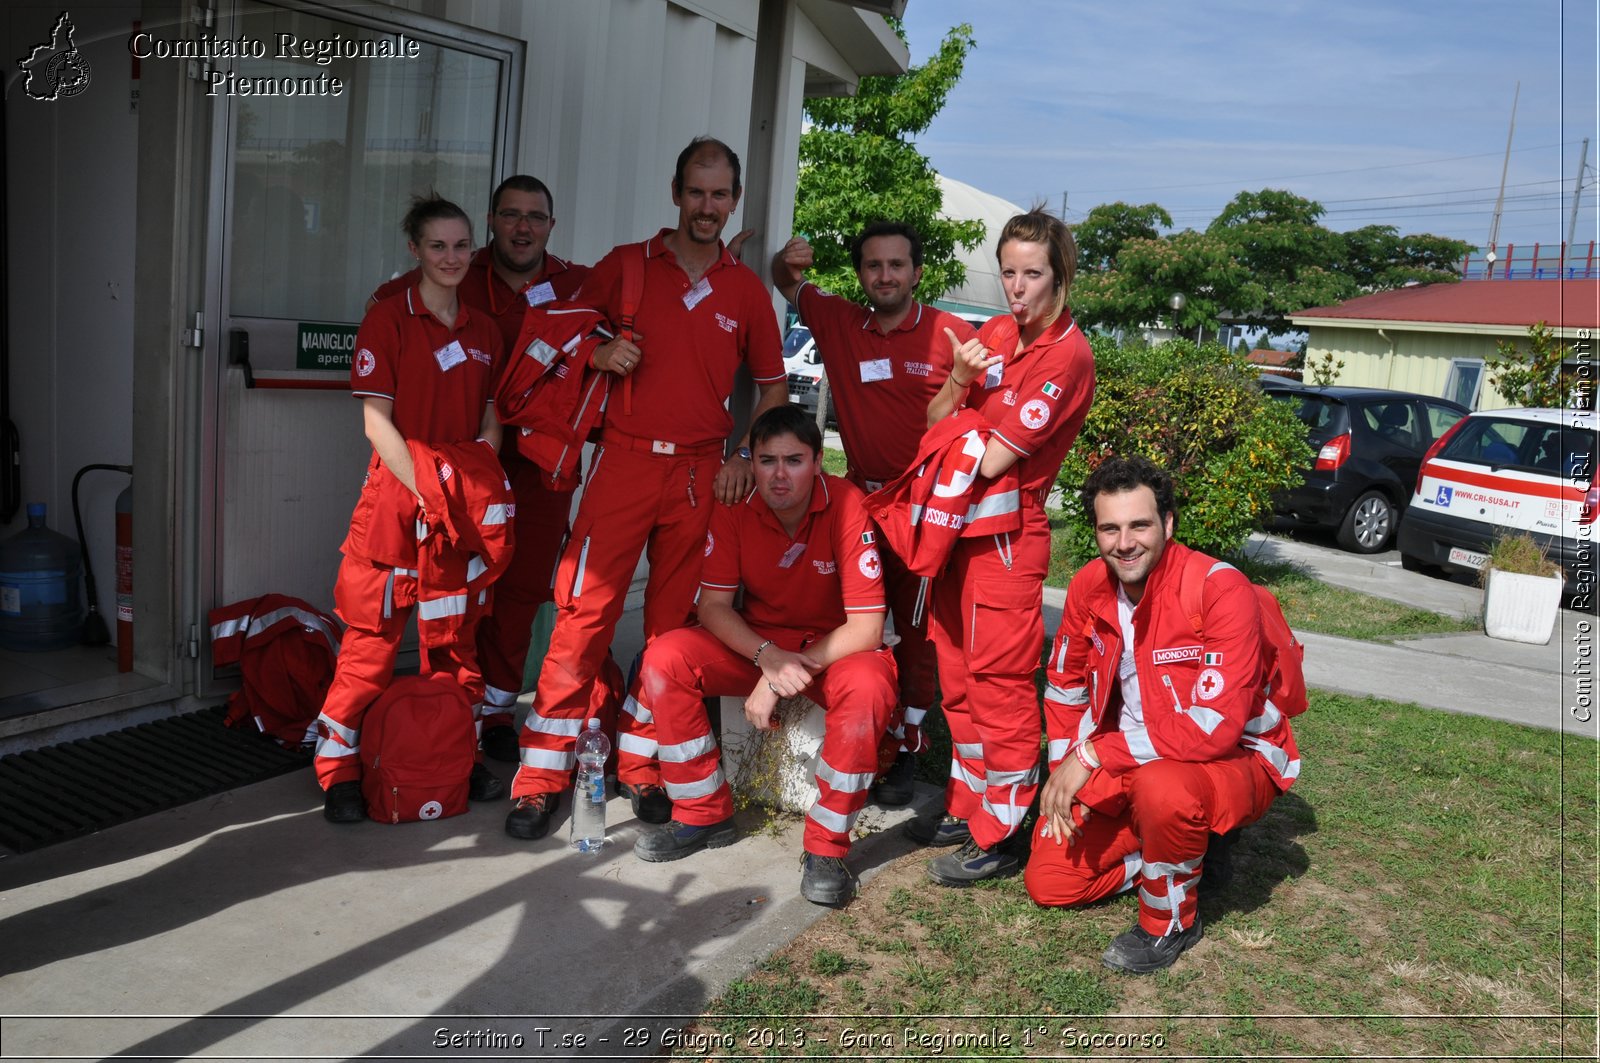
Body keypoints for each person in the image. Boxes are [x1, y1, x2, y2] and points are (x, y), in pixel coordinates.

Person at [504, 137, 789, 841]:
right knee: (582, 619)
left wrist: (744, 453)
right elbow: (551, 334)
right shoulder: (626, 265)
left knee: (668, 635)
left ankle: (640, 762)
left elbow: (775, 386)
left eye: (720, 195)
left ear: (735, 200)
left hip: (701, 477)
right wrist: (597, 352)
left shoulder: (746, 289)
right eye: (697, 192)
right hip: (624, 465)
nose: (708, 207)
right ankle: (540, 779)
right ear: (675, 191)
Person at [1025, 456, 1301, 973]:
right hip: (1130, 757)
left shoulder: (1220, 588)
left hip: (1231, 759)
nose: (1124, 542)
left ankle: (1169, 920)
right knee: (1051, 882)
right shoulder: (1089, 584)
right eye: (1110, 528)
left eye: (1139, 525)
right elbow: (1064, 685)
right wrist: (1066, 768)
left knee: (1164, 788)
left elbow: (1214, 727)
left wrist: (1093, 753)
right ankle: (1185, 851)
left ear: (1168, 524)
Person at [629, 405, 897, 905]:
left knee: (870, 686)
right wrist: (768, 657)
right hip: (762, 644)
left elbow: (866, 627)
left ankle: (826, 846)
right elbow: (711, 607)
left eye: (794, 460)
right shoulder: (736, 504)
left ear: (818, 462)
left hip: (831, 648)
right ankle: (703, 814)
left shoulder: (845, 503)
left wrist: (781, 672)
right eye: (767, 460)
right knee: (666, 657)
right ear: (752, 463)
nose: (779, 475)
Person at [370, 176, 589, 769]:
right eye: (512, 215)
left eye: (536, 217)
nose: (524, 227)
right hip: (461, 465)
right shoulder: (461, 272)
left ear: (552, 224)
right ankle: (444, 706)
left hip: (542, 467)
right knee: (454, 587)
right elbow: (397, 307)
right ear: (492, 220)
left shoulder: (579, 284)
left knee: (520, 590)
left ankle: (494, 708)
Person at [908, 209, 1095, 885]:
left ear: (1061, 276)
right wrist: (959, 382)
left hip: (1008, 541)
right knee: (956, 681)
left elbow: (987, 459)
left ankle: (1004, 831)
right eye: (1008, 272)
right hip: (958, 535)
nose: (1016, 288)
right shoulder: (991, 332)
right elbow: (931, 423)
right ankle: (969, 805)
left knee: (1001, 685)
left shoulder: (1067, 355)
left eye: (1032, 274)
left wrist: (953, 428)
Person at [769, 223, 978, 806]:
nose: (885, 276)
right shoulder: (838, 321)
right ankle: (863, 730)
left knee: (916, 631)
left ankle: (908, 746)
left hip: (925, 508)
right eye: (873, 266)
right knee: (860, 618)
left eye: (897, 265)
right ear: (859, 273)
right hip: (862, 502)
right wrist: (788, 260)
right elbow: (787, 282)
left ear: (916, 272)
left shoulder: (951, 332)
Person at [315, 194, 506, 822]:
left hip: (458, 512)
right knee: (370, 649)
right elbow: (377, 425)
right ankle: (337, 770)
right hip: (399, 504)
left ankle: (456, 755)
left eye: (460, 246)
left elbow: (490, 420)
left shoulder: (484, 329)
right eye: (436, 246)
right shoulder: (388, 320)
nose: (450, 258)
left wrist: (472, 486)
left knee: (455, 648)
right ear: (414, 250)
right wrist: (429, 491)